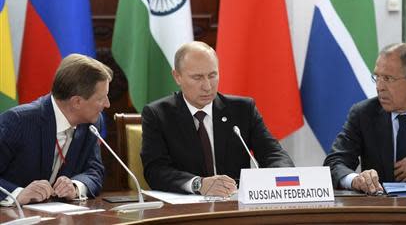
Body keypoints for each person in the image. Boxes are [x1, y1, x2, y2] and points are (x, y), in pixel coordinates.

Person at [141, 41, 294, 197]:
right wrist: (198, 183)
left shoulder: (242, 109)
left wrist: (281, 177)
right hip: (186, 209)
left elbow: (273, 154)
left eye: (212, 75)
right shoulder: (158, 114)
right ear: (177, 77)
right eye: (197, 77)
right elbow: (155, 171)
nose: (207, 86)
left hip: (236, 204)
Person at [324, 43, 406, 194]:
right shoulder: (364, 114)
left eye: (387, 78)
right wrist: (355, 179)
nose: (379, 87)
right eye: (377, 77)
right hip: (383, 211)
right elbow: (334, 163)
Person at [0, 54, 113, 205]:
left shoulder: (91, 123)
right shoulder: (19, 121)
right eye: (101, 98)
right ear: (77, 102)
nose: (107, 104)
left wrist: (75, 186)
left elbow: (94, 171)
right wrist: (17, 194)